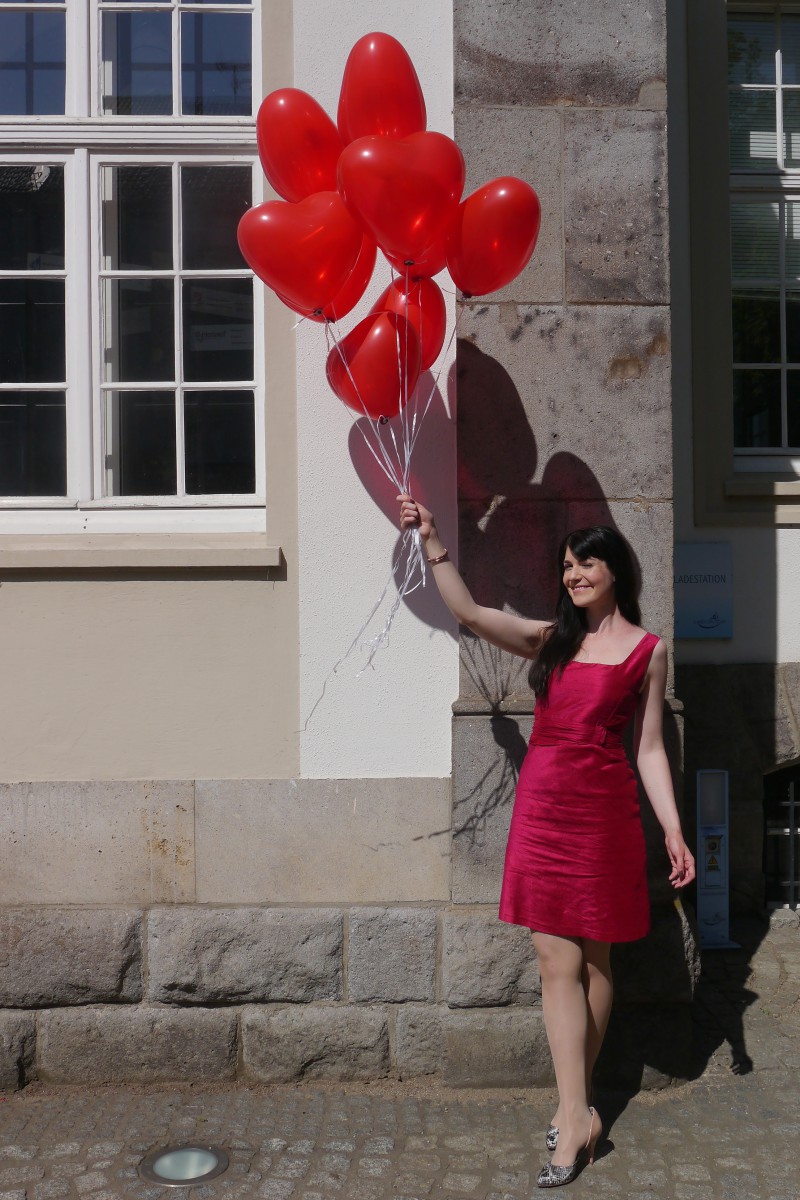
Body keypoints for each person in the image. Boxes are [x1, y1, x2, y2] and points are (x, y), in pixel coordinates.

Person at [398, 495, 696, 1189]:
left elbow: (649, 749)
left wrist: (675, 830)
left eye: (586, 561)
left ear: (616, 569)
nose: (574, 574)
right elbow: (470, 614)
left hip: (605, 816)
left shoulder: (649, 653)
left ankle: (577, 1108)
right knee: (553, 959)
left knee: (598, 964)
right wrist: (435, 538)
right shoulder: (550, 639)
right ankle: (575, 1113)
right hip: (543, 813)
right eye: (566, 565)